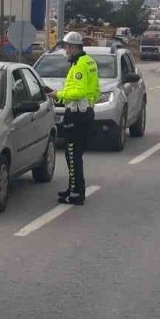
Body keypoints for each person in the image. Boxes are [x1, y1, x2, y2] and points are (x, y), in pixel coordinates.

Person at [53, 31, 100, 206]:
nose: (65, 50)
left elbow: (79, 91)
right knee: (75, 154)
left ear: (73, 47)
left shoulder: (79, 65)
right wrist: (89, 104)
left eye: (66, 46)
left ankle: (76, 193)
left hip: (77, 114)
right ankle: (73, 187)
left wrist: (58, 94)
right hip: (85, 112)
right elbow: (96, 89)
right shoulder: (89, 62)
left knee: (72, 154)